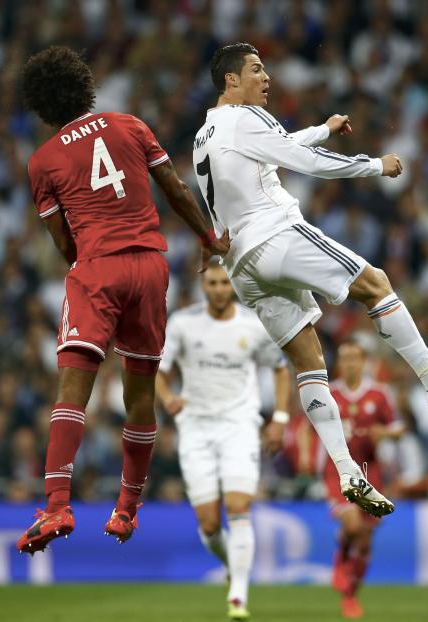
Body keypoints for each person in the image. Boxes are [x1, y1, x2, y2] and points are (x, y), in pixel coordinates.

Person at [192, 42, 428, 517]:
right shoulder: (248, 116)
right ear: (231, 79)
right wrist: (375, 165)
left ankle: (348, 470)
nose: (266, 77)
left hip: (244, 265)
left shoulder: (205, 135)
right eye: (256, 69)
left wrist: (323, 129)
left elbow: (274, 150)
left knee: (309, 362)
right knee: (376, 283)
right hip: (277, 234)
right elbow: (301, 163)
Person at [14, 46, 228, 555]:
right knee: (140, 396)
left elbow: (64, 243)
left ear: (42, 106)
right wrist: (208, 238)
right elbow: (174, 188)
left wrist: (88, 252)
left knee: (72, 388)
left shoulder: (42, 162)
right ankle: (126, 511)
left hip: (98, 270)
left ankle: (58, 503)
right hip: (150, 266)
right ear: (84, 86)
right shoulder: (129, 125)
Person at [155, 262, 290, 621]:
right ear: (203, 285)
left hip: (239, 425)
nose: (218, 289)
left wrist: (278, 419)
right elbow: (159, 373)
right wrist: (168, 397)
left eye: (224, 282)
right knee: (210, 525)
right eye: (212, 283)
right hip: (195, 428)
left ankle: (237, 596)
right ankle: (234, 564)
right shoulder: (183, 324)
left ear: (233, 285)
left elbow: (279, 368)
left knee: (239, 507)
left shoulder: (252, 325)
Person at [321, 342, 402, 618]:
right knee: (352, 524)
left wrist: (387, 433)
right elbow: (314, 426)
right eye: (344, 359)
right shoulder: (330, 395)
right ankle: (342, 549)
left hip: (370, 470)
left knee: (365, 540)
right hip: (338, 472)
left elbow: (398, 426)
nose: (350, 364)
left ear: (364, 362)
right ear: (339, 363)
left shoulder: (379, 394)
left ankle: (350, 596)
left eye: (355, 358)